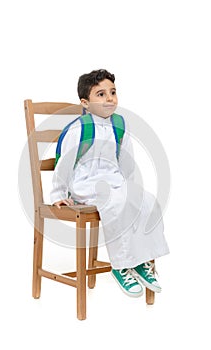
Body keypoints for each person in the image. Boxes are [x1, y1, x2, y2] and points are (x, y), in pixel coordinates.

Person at [50, 69, 169, 298]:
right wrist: (58, 194)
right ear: (85, 102)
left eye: (113, 92)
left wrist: (131, 190)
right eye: (101, 94)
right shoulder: (79, 128)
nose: (110, 98)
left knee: (146, 201)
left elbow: (126, 161)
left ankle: (142, 261)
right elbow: (63, 163)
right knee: (116, 203)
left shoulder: (119, 125)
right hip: (86, 185)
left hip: (114, 182)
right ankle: (121, 265)